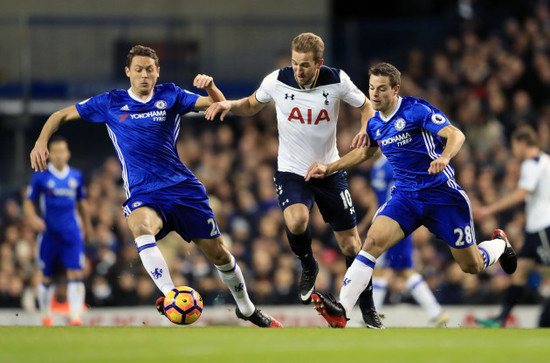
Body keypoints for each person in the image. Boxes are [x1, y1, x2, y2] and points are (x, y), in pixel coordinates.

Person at [29, 45, 282, 328]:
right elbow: (59, 116)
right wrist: (41, 142)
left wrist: (211, 87)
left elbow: (219, 107)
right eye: (138, 69)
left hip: (182, 189)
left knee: (219, 254)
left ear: (157, 71)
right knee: (140, 226)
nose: (144, 75)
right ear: (128, 72)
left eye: (150, 69)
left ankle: (246, 309)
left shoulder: (170, 94)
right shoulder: (110, 102)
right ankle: (170, 294)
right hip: (144, 192)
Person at [304, 62, 517, 328]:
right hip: (405, 197)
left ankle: (500, 245)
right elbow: (365, 153)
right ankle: (342, 310)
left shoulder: (415, 109)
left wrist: (444, 156)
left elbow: (455, 134)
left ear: (396, 89)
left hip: (441, 196)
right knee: (371, 242)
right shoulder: (374, 123)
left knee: (471, 265)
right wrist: (329, 167)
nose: (375, 95)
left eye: (382, 89)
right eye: (371, 89)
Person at [205, 32, 384, 328]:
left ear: (319, 64)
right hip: (291, 170)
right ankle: (308, 265)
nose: (298, 71)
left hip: (329, 170)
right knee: (297, 221)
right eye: (295, 63)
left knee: (352, 246)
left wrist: (366, 127)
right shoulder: (277, 80)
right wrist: (229, 105)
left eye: (305, 65)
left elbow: (366, 106)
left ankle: (368, 309)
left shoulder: (337, 79)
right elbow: (251, 104)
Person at [474, 125, 550, 328]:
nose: (513, 150)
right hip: (536, 230)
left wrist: (490, 209)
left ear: (523, 143)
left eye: (515, 145)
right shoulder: (544, 162)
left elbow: (520, 194)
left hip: (544, 228)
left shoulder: (532, 164)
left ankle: (543, 320)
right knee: (519, 273)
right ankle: (501, 319)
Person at [369, 154, 448, 327]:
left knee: (384, 271)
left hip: (394, 223)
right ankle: (437, 312)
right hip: (386, 222)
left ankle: (371, 316)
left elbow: (409, 194)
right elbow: (379, 201)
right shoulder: (377, 166)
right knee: (403, 270)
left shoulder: (393, 164)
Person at [24, 135, 91, 326]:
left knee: (75, 273)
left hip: (71, 233)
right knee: (46, 275)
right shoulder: (41, 176)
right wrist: (33, 218)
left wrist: (88, 228)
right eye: (55, 152)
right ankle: (46, 315)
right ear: (49, 155)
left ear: (68, 153)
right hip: (49, 234)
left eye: (62, 151)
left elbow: (82, 204)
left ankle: (76, 316)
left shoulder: (76, 176)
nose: (59, 155)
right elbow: (28, 201)